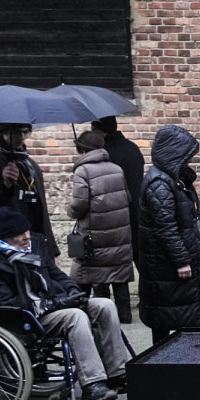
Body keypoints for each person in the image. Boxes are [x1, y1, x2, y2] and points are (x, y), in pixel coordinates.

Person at [0, 207, 126, 400]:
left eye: (27, 231)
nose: (27, 237)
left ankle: (117, 373)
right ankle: (93, 384)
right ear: (5, 238)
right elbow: (5, 305)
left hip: (49, 307)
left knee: (104, 305)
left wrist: (73, 292)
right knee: (75, 317)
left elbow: (56, 274)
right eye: (20, 234)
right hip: (22, 319)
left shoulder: (33, 244)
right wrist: (56, 303)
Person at [138, 125, 200, 343]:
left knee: (180, 314)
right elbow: (166, 227)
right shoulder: (160, 183)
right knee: (170, 317)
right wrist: (181, 260)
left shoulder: (173, 179)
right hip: (167, 266)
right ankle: (172, 366)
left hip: (171, 262)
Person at [64, 130, 135, 323]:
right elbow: (126, 197)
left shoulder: (82, 171)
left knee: (85, 274)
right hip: (119, 234)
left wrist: (68, 210)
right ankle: (124, 315)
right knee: (118, 275)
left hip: (94, 236)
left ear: (82, 149)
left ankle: (88, 315)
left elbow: (79, 205)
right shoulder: (116, 168)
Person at [0, 123, 58, 259]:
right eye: (15, 132)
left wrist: (51, 249)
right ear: (2, 132)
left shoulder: (29, 163)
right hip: (7, 238)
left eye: (25, 132)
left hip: (34, 236)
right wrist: (4, 184)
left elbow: (41, 208)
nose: (21, 137)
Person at [90, 117, 145, 258]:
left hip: (114, 213)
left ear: (103, 132)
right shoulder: (132, 147)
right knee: (140, 256)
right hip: (137, 208)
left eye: (93, 130)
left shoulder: (105, 153)